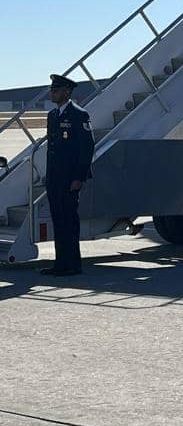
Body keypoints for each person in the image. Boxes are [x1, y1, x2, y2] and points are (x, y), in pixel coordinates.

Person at [41, 74, 95, 276]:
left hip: (70, 179)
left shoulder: (79, 115)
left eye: (56, 90)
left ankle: (72, 264)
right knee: (58, 221)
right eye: (52, 90)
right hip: (54, 178)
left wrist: (79, 178)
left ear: (67, 92)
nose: (52, 93)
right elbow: (52, 150)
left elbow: (86, 148)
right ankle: (60, 263)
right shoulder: (53, 116)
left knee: (69, 222)